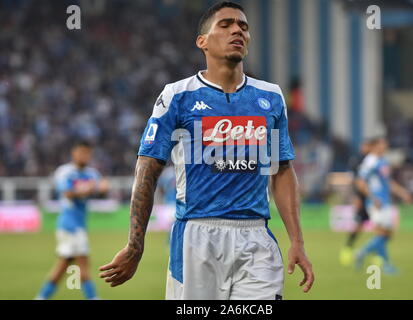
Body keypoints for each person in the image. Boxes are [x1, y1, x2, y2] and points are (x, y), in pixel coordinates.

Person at [99, 1, 314, 300]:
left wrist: (297, 241)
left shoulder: (271, 96)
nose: (237, 30)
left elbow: (283, 170)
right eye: (225, 25)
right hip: (196, 237)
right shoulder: (177, 95)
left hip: (256, 238)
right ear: (202, 42)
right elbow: (147, 168)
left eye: (243, 26)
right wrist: (136, 245)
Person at [36, 141, 109, 300]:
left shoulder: (91, 173)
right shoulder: (65, 172)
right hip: (69, 225)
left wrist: (102, 188)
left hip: (79, 224)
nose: (84, 156)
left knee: (62, 267)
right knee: (83, 263)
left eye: (87, 153)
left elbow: (103, 190)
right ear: (73, 153)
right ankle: (93, 298)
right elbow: (67, 193)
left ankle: (41, 297)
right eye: (81, 152)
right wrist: (90, 189)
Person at [354, 137, 412, 274]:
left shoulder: (382, 161)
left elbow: (388, 182)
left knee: (386, 234)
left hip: (385, 201)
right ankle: (378, 261)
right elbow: (360, 183)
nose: (385, 146)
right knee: (383, 233)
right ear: (375, 146)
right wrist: (373, 198)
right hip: (377, 203)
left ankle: (366, 255)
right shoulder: (370, 161)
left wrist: (402, 192)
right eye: (382, 144)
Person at [340, 140, 371, 266]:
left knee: (381, 226)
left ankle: (377, 253)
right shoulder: (357, 160)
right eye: (364, 145)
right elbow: (353, 180)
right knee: (359, 224)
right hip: (363, 197)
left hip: (374, 196)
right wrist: (355, 197)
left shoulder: (373, 160)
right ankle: (348, 247)